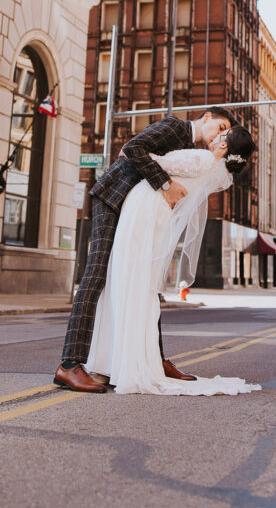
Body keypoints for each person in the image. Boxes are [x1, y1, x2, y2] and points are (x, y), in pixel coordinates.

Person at [54, 107, 237, 392]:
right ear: (207, 117)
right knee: (95, 277)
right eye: (220, 126)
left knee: (146, 283)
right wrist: (165, 184)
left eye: (226, 133)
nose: (220, 133)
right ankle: (69, 364)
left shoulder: (189, 146)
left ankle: (154, 357)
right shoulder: (176, 127)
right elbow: (133, 148)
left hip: (135, 210)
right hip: (112, 197)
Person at [85, 125, 260, 396]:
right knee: (134, 281)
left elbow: (152, 160)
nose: (216, 137)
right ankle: (124, 360)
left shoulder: (202, 159)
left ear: (225, 146)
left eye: (222, 135)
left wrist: (129, 151)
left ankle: (122, 361)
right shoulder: (217, 172)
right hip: (154, 210)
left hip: (145, 206)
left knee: (126, 276)